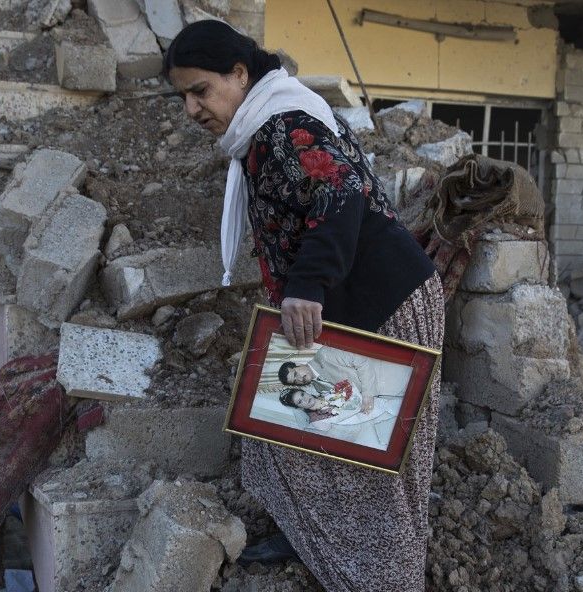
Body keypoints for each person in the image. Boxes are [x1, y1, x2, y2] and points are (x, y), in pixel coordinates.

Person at [163, 20, 443, 591]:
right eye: (183, 97)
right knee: (283, 432)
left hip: (381, 305)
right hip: (349, 302)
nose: (192, 109)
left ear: (239, 74)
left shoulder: (283, 126)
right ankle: (313, 536)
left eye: (201, 91)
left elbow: (339, 194)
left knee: (368, 461)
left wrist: (306, 285)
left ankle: (384, 578)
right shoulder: (264, 126)